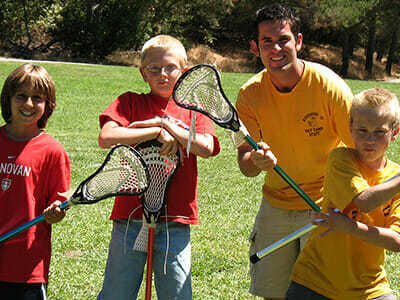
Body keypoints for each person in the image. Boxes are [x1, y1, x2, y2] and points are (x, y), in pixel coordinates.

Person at [235, 3, 355, 299]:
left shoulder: (329, 86)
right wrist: (258, 161)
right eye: (267, 42)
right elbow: (244, 164)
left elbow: (359, 151)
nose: (275, 48)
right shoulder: (249, 95)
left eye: (284, 39)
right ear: (255, 47)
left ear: (298, 41)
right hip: (275, 207)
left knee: (323, 293)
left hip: (325, 205)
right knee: (273, 293)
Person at [97, 34, 220, 300]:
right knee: (116, 293)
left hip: (174, 220)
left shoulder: (194, 110)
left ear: (184, 72)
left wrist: (171, 128)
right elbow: (107, 137)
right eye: (154, 69)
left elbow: (207, 146)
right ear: (143, 73)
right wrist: (154, 128)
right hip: (129, 218)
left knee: (177, 294)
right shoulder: (129, 102)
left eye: (170, 68)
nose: (162, 75)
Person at [287, 87, 400, 300]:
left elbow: (396, 242)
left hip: (370, 288)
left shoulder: (395, 177)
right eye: (362, 130)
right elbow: (364, 201)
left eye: (379, 132)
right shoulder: (341, 159)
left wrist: (348, 227)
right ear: (350, 128)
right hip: (315, 282)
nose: (370, 139)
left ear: (394, 132)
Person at [0, 64, 71, 300]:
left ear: (47, 105)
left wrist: (55, 212)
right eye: (21, 95)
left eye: (37, 98)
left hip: (26, 266)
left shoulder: (52, 151)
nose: (29, 104)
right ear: (8, 98)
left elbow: (59, 204)